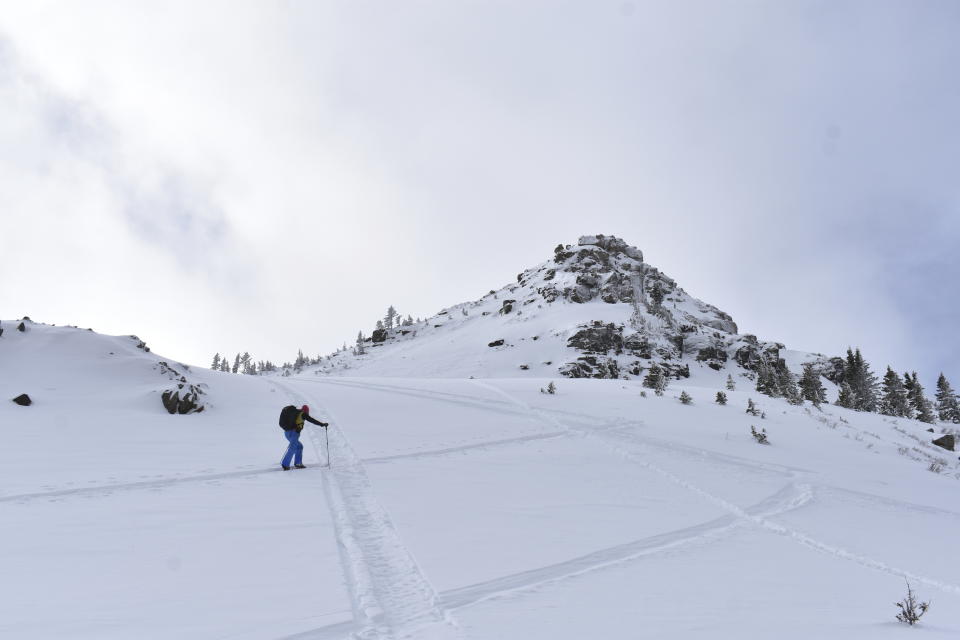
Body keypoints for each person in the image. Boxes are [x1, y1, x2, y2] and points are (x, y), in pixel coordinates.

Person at [279, 404, 328, 470]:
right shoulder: (303, 414)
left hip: (287, 433)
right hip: (294, 433)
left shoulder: (296, 412)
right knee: (293, 447)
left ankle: (298, 463)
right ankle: (285, 464)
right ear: (306, 411)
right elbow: (312, 420)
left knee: (299, 446)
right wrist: (322, 424)